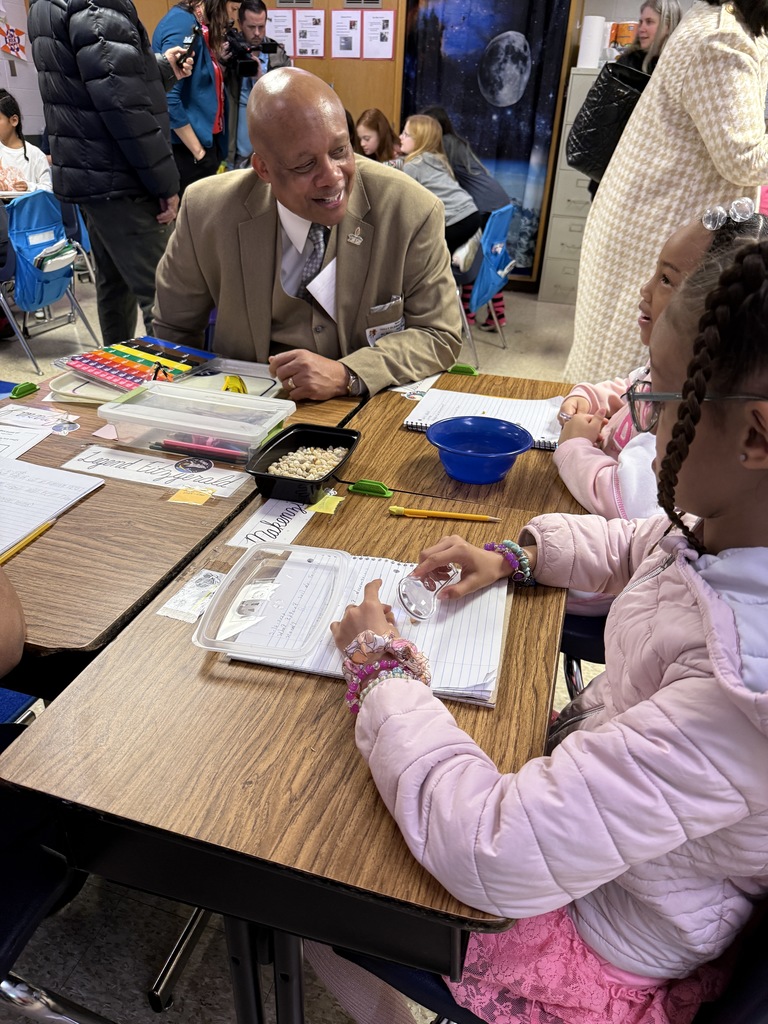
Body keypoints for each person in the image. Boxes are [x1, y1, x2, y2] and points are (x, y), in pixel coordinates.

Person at [321, 234, 768, 1023]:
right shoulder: (730, 528)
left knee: (315, 885)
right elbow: (643, 545)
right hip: (621, 846)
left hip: (609, 931)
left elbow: (492, 851)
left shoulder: (737, 705)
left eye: (658, 402)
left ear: (756, 436)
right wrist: (517, 556)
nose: (640, 424)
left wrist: (380, 669)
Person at [152, 68, 463, 400]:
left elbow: (439, 334)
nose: (332, 177)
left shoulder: (411, 209)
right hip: (244, 410)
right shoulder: (206, 210)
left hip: (363, 406)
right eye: (304, 165)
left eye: (340, 151)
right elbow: (174, 331)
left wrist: (350, 374)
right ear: (263, 169)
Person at [568, 0, 768, 384]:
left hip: (657, 224)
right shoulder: (721, 37)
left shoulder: (723, 26)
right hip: (659, 232)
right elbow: (744, 158)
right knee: (632, 373)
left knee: (624, 370)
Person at [556, 199, 768, 523]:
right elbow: (633, 385)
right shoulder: (670, 378)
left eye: (667, 279)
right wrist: (590, 396)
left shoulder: (688, 403)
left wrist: (574, 448)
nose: (646, 288)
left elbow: (627, 502)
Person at [27, 0, 182, 346]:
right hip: (121, 173)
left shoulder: (45, 4)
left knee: (116, 290)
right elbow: (121, 102)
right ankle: (177, 396)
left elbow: (93, 81)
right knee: (167, 300)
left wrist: (159, 69)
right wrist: (165, 183)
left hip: (92, 173)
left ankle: (120, 386)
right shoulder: (95, 3)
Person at [421, 104, 510, 331]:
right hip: (499, 201)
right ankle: (497, 315)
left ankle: (466, 317)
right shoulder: (457, 141)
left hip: (483, 205)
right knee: (486, 260)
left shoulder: (446, 145)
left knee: (469, 261)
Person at [585, 0, 682, 202]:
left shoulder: (676, 68)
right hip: (615, 172)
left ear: (668, 25)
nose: (642, 29)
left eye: (649, 22)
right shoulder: (630, 63)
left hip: (648, 177)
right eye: (641, 21)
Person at [152, 0, 231, 193]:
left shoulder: (193, 24)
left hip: (202, 145)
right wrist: (199, 153)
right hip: (187, 151)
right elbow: (169, 96)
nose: (232, 17)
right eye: (234, 9)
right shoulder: (182, 23)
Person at [399, 114, 484, 267]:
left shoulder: (412, 166)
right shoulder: (436, 158)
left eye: (405, 134)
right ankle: (463, 251)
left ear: (420, 140)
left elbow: (405, 202)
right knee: (443, 260)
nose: (400, 137)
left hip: (455, 220)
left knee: (431, 262)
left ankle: (444, 284)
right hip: (470, 213)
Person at [225, 0, 291, 168]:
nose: (256, 33)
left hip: (269, 147)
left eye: (261, 27)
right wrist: (221, 61)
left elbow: (286, 100)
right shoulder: (229, 50)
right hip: (236, 150)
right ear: (240, 24)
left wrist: (260, 80)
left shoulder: (278, 54)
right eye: (251, 27)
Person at [0, 90, 51, 193]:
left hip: (27, 208)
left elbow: (48, 189)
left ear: (14, 120)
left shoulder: (35, 155)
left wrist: (29, 187)